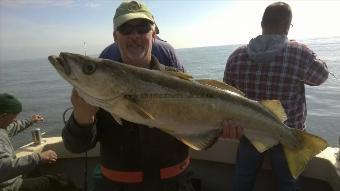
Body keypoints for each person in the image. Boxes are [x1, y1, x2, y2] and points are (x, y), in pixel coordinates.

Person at [62, 1, 195, 191]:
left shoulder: (180, 82)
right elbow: (76, 146)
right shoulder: (98, 82)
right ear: (115, 36)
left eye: (142, 28)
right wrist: (82, 119)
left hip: (176, 184)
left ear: (153, 34)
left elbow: (199, 129)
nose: (135, 36)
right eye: (125, 29)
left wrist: (221, 128)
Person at [223, 2, 329, 191]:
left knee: (243, 179)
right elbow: (321, 77)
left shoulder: (236, 56)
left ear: (262, 23)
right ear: (287, 25)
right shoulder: (298, 52)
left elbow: (227, 94)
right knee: (288, 183)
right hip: (288, 134)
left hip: (251, 133)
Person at [0, 93, 59, 191]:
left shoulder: (2, 127)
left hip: (11, 180)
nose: (15, 120)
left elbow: (13, 127)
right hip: (9, 187)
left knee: (36, 171)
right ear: (3, 116)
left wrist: (31, 121)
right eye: (14, 116)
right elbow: (2, 169)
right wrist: (39, 157)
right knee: (58, 181)